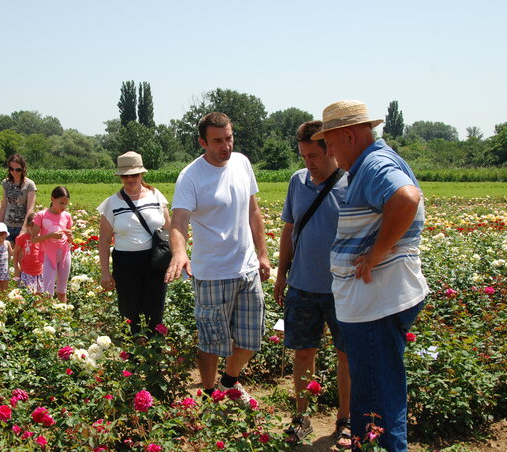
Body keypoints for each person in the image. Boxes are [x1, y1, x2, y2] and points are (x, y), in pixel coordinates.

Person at [313, 100, 429, 452]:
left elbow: (406, 198)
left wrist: (376, 254)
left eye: (330, 143)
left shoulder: (375, 163)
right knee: (375, 390)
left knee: (377, 397)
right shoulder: (371, 162)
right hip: (372, 302)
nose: (329, 152)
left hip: (376, 303)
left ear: (349, 135)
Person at [165, 112, 270, 406]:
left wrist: (262, 254)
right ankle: (211, 395)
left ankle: (229, 381)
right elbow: (179, 222)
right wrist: (180, 252)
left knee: (252, 338)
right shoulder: (191, 176)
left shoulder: (242, 163)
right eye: (218, 141)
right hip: (212, 272)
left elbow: (254, 212)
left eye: (229, 138)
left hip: (247, 268)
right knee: (211, 342)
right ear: (203, 142)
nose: (226, 146)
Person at [273, 121, 351, 447]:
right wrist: (281, 274)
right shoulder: (297, 182)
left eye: (314, 156)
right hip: (303, 285)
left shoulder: (351, 183)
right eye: (304, 156)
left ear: (330, 151)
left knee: (346, 355)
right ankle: (302, 418)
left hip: (343, 289)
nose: (309, 163)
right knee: (303, 353)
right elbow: (289, 230)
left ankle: (346, 421)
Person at [97, 151, 171, 335]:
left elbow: (168, 231)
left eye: (134, 175)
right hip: (126, 264)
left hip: (155, 261)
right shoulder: (111, 203)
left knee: (155, 312)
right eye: (125, 176)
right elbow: (104, 241)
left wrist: (175, 261)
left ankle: (154, 355)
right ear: (120, 176)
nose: (130, 179)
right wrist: (105, 273)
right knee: (129, 314)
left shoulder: (156, 196)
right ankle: (132, 358)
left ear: (142, 174)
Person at [30, 186, 73, 302]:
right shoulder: (41, 215)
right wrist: (50, 236)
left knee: (62, 290)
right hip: (48, 256)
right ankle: (47, 316)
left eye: (66, 204)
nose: (63, 207)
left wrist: (70, 237)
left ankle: (63, 315)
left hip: (64, 255)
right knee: (47, 290)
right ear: (52, 199)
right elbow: (33, 239)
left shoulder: (67, 216)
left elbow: (70, 240)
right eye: (61, 203)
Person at [0, 154, 37, 244]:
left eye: (18, 169)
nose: (14, 172)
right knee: (6, 255)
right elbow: (4, 205)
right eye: (11, 169)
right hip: (7, 225)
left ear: (23, 169)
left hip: (22, 225)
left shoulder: (29, 185)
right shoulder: (6, 183)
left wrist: (24, 227)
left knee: (20, 256)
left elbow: (30, 208)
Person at [13, 212, 44, 293]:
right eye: (32, 228)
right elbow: (15, 252)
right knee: (29, 294)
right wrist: (16, 268)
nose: (35, 231)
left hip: (40, 271)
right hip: (27, 271)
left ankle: (38, 306)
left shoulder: (41, 237)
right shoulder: (22, 238)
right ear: (28, 226)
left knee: (39, 294)